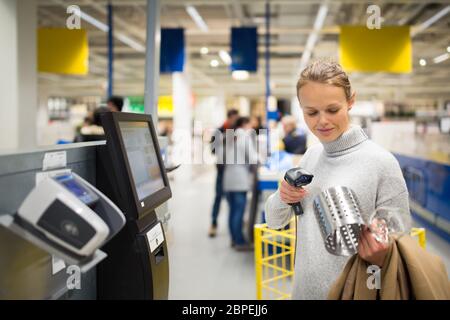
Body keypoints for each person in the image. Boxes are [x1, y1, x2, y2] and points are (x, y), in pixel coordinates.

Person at [264, 59, 411, 299]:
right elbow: (274, 221)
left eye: (332, 110)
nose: (322, 121)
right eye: (311, 112)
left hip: (353, 292)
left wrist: (380, 249)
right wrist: (283, 197)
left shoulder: (380, 163)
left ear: (351, 101)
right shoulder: (311, 157)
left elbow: (401, 241)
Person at [223, 117, 258, 251]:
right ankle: (240, 242)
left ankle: (234, 238)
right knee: (239, 211)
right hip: (239, 179)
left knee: (232, 211)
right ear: (245, 124)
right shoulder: (245, 136)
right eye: (250, 124)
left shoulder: (230, 137)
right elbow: (253, 157)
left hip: (229, 178)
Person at [208, 109, 240, 237]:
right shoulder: (219, 131)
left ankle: (235, 224)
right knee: (218, 197)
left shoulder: (238, 131)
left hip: (234, 171)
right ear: (229, 118)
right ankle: (213, 223)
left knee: (233, 199)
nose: (236, 121)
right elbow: (212, 150)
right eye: (234, 119)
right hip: (222, 170)